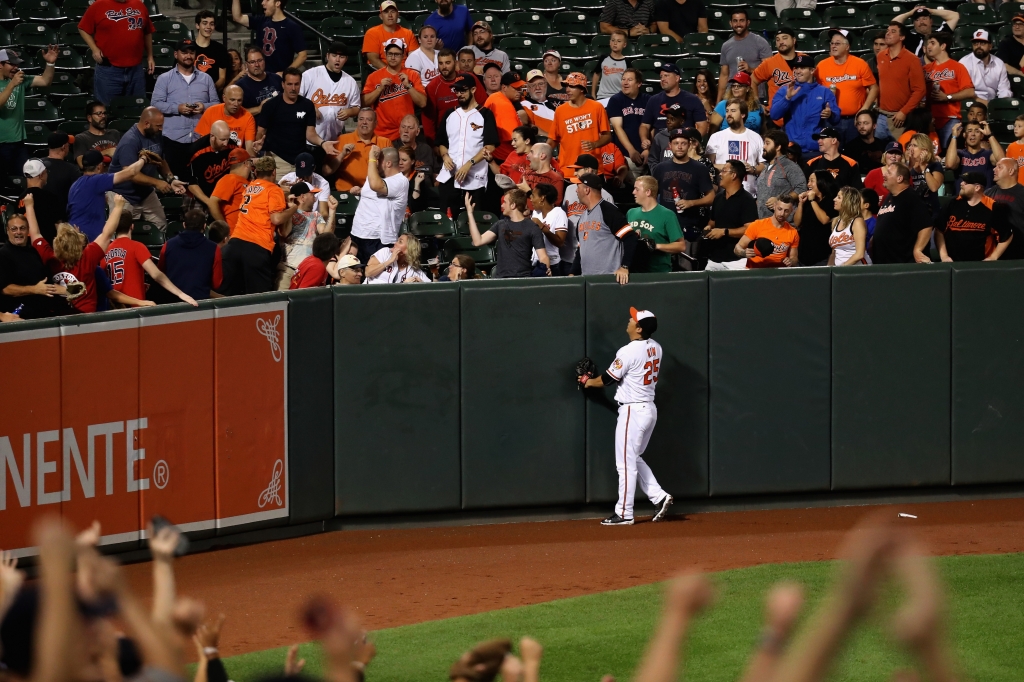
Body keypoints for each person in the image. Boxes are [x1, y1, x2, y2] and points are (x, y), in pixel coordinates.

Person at [580, 306, 673, 525]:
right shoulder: (656, 347)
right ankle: (659, 496)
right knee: (634, 458)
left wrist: (587, 382)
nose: (629, 321)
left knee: (625, 464)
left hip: (633, 411)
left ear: (639, 329)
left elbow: (607, 380)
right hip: (649, 409)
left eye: (633, 320)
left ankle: (624, 513)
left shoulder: (628, 351)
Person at [26, 193, 127, 313]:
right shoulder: (88, 257)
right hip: (85, 315)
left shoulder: (49, 257)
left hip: (59, 316)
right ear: (78, 242)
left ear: (56, 243)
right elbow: (107, 233)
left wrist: (29, 206)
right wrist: (118, 207)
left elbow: (35, 234)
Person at [221, 155, 297, 294]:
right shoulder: (274, 190)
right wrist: (293, 209)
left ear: (255, 172)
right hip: (256, 248)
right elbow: (276, 219)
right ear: (274, 172)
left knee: (231, 296)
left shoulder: (248, 187)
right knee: (260, 300)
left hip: (233, 246)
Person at [107, 108, 187, 231]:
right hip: (123, 195)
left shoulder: (155, 135)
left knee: (161, 226)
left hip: (145, 193)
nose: (161, 129)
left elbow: (161, 160)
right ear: (146, 124)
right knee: (121, 233)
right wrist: (157, 183)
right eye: (158, 126)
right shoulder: (130, 141)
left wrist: (171, 179)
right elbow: (131, 175)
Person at [152, 39, 220, 178]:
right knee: (176, 180)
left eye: (191, 52)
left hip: (200, 138)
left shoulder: (206, 79)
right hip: (173, 140)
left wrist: (204, 107)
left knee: (201, 178)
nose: (188, 56)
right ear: (176, 54)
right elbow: (155, 104)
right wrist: (177, 108)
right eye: (184, 52)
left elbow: (216, 104)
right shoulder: (165, 79)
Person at [256, 68, 338, 181]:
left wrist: (323, 143)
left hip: (300, 161)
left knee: (302, 197)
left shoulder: (307, 105)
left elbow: (310, 133)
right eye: (289, 84)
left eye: (296, 84)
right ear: (283, 84)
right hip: (277, 161)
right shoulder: (270, 106)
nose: (293, 88)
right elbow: (261, 132)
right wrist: (259, 147)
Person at [103, 212, 198, 306]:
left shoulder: (105, 251)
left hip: (113, 308)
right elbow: (156, 275)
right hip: (136, 308)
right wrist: (181, 294)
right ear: (132, 226)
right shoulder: (137, 247)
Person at [435, 74, 498, 216]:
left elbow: (490, 146)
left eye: (462, 90)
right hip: (449, 176)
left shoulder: (485, 114)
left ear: (473, 89)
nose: (459, 94)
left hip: (475, 178)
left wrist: (469, 163)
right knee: (447, 221)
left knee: (473, 222)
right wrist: (445, 156)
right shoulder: (450, 113)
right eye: (456, 91)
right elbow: (442, 143)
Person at [77, 0, 154, 104]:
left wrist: (150, 56)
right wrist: (94, 49)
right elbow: (83, 28)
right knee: (107, 110)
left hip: (136, 70)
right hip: (109, 69)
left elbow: (147, 32)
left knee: (136, 109)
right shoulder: (98, 5)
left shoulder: (139, 5)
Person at [0, 212, 72, 319]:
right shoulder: (3, 254)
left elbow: (43, 283)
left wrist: (66, 290)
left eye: (22, 228)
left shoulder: (33, 251)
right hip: (19, 317)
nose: (18, 232)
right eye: (14, 229)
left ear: (28, 230)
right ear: (7, 231)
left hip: (42, 313)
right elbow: (5, 289)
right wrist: (34, 289)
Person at [466, 189, 550, 277]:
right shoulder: (500, 224)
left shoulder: (532, 227)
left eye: (505, 202)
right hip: (501, 279)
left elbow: (543, 256)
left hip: (523, 279)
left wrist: (545, 269)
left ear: (513, 205)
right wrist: (470, 214)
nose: (502, 205)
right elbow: (478, 241)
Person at [770, 54, 840, 159]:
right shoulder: (786, 90)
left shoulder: (824, 92)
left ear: (812, 71)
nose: (798, 71)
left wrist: (830, 114)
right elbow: (774, 115)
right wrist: (787, 99)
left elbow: (836, 119)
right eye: (796, 68)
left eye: (802, 68)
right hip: (791, 150)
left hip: (815, 150)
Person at [815, 29, 878, 146]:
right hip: (830, 120)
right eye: (832, 43)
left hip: (854, 120)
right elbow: (816, 91)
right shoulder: (822, 65)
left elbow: (874, 88)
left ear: (847, 46)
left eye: (837, 43)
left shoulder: (860, 64)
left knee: (854, 153)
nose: (833, 46)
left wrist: (863, 110)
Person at [0, 47, 59, 172]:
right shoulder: (15, 82)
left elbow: (45, 81)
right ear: (0, 64)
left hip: (18, 143)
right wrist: (12, 84)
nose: (16, 67)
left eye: (17, 64)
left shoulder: (20, 80)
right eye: (12, 64)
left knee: (27, 178)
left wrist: (50, 63)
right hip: (1, 142)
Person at [653, 128, 714, 244]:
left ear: (689, 145)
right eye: (676, 143)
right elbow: (652, 195)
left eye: (683, 143)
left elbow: (711, 197)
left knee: (686, 260)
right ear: (670, 145)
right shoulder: (660, 168)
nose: (679, 147)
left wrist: (691, 203)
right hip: (664, 225)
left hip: (689, 226)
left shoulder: (700, 168)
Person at [935, 171, 1012, 262]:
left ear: (977, 187)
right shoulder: (952, 204)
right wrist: (944, 256)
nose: (961, 184)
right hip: (953, 263)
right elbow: (939, 230)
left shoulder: (993, 207)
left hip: (980, 265)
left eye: (966, 182)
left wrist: (993, 257)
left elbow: (1007, 235)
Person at [66, 152, 144, 242]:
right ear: (99, 167)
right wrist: (143, 159)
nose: (105, 167)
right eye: (104, 165)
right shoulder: (96, 180)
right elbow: (131, 172)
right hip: (88, 239)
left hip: (74, 237)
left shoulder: (75, 185)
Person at [571, 173, 636, 281]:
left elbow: (630, 238)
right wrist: (573, 272)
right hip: (587, 279)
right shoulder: (582, 217)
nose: (576, 191)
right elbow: (581, 248)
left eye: (578, 187)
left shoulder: (609, 211)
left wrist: (625, 267)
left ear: (587, 190)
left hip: (608, 279)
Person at [350, 146, 409, 263]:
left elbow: (376, 186)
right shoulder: (375, 175)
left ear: (388, 163)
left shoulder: (401, 181)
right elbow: (371, 194)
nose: (375, 164)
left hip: (378, 240)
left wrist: (371, 158)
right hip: (357, 235)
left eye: (378, 161)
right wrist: (359, 191)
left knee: (376, 277)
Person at [362, 43, 428, 141]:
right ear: (385, 55)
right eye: (390, 54)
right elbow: (364, 103)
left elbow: (423, 103)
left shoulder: (412, 75)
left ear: (403, 56)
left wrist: (408, 86)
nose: (393, 57)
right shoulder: (374, 77)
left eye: (396, 54)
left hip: (406, 132)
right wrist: (379, 89)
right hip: (382, 133)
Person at [299, 43, 361, 146]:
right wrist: (310, 107)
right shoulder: (311, 74)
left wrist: (350, 111)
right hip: (307, 139)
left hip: (334, 139)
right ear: (327, 56)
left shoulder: (350, 82)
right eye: (334, 56)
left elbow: (356, 107)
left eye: (341, 57)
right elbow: (296, 96)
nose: (337, 60)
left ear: (346, 59)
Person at [278, 183, 337, 289]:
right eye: (312, 195)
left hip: (308, 269)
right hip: (288, 268)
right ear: (302, 197)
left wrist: (332, 211)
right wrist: (290, 209)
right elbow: (284, 233)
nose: (315, 200)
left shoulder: (316, 215)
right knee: (281, 303)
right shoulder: (287, 213)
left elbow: (326, 235)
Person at [551, 73, 612, 175]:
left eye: (572, 86)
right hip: (567, 169)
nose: (567, 90)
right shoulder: (560, 110)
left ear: (582, 89)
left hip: (592, 169)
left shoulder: (597, 107)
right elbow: (553, 139)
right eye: (567, 86)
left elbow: (607, 136)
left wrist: (595, 144)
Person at [922, 31, 975, 149]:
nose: (928, 46)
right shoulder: (925, 69)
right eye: (928, 43)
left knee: (950, 152)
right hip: (930, 120)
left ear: (943, 46)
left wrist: (947, 97)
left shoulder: (957, 67)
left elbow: (970, 91)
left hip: (950, 119)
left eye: (932, 43)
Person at [872, 162, 933, 264]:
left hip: (902, 264)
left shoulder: (911, 198)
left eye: (889, 173)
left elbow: (926, 226)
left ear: (899, 178)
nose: (884, 175)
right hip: (885, 262)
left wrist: (918, 250)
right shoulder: (890, 197)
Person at [701, 159, 758, 270]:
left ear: (733, 175)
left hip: (737, 261)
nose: (720, 174)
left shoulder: (747, 200)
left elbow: (750, 230)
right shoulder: (718, 197)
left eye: (723, 171)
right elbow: (712, 221)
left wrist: (724, 232)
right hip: (714, 258)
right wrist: (709, 227)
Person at [157, 208, 223, 300]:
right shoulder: (214, 248)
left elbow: (160, 272)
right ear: (204, 226)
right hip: (201, 302)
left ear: (184, 225)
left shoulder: (168, 245)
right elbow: (216, 283)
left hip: (171, 300)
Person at [876, 22, 927, 142]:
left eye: (893, 31)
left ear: (902, 37)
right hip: (881, 115)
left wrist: (904, 112)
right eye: (887, 31)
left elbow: (920, 90)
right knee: (879, 154)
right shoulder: (881, 56)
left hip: (900, 118)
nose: (888, 34)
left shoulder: (912, 59)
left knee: (901, 155)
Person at [626, 176, 685, 273]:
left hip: (658, 274)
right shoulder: (631, 213)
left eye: (637, 189)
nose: (633, 192)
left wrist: (656, 246)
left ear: (648, 192)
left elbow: (681, 246)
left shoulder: (667, 215)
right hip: (634, 272)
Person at [424, 48, 485, 142]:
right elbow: (429, 119)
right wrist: (433, 143)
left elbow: (483, 103)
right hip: (447, 135)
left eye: (448, 63)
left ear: (455, 63)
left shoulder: (469, 78)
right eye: (441, 63)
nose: (444, 67)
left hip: (472, 132)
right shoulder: (432, 87)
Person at [231, 0, 307, 75]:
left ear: (277, 3)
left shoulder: (292, 27)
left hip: (277, 77)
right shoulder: (261, 20)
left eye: (267, 0)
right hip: (259, 75)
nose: (262, 3)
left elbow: (302, 55)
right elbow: (237, 17)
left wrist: (285, 73)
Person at [706, 99, 763, 196]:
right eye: (727, 111)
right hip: (723, 194)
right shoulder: (716, 137)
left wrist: (753, 169)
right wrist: (732, 168)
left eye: (733, 111)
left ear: (743, 114)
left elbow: (764, 166)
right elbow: (708, 165)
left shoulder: (756, 137)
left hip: (749, 194)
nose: (728, 114)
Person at [640, 64, 709, 143]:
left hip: (683, 145)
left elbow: (702, 126)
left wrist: (691, 142)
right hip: (660, 148)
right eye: (661, 76)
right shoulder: (653, 100)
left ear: (677, 78)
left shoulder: (692, 99)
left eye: (666, 75)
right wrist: (644, 139)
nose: (662, 79)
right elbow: (644, 125)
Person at [328, 108, 392, 192]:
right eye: (361, 119)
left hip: (375, 194)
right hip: (347, 194)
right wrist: (342, 155)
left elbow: (393, 174)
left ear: (375, 123)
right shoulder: (342, 139)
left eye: (369, 119)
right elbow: (326, 171)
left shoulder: (385, 143)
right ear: (357, 121)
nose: (364, 122)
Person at [717, 8, 772, 103]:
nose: (738, 24)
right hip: (732, 97)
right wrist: (718, 102)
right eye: (735, 21)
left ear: (748, 22)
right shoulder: (726, 46)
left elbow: (769, 70)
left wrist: (750, 70)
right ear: (730, 23)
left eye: (741, 20)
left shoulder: (760, 42)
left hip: (754, 96)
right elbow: (724, 76)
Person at [733, 192, 800, 268]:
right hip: (754, 271)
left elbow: (794, 258)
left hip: (777, 274)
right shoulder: (757, 225)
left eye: (786, 211)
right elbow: (737, 248)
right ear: (774, 206)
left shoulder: (793, 232)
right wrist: (744, 253)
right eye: (779, 209)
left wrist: (790, 261)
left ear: (791, 211)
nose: (782, 213)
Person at [751, 27, 798, 128]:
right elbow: (752, 80)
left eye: (784, 38)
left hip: (801, 117)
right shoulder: (769, 63)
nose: (781, 42)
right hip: (778, 119)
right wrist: (757, 104)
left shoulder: (805, 60)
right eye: (778, 39)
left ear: (794, 40)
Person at [756, 129, 807, 219]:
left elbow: (802, 188)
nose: (764, 146)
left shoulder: (789, 166)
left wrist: (779, 200)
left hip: (784, 224)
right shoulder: (766, 167)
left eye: (767, 143)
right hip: (764, 223)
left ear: (778, 147)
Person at [608, 68, 650, 177]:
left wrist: (647, 150)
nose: (625, 83)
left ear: (639, 83)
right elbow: (617, 128)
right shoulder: (616, 100)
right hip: (626, 155)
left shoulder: (648, 100)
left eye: (630, 80)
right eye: (623, 79)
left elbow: (652, 127)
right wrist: (631, 150)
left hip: (647, 154)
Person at [194, 84, 258, 155]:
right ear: (224, 98)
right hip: (212, 156)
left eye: (239, 100)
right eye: (232, 100)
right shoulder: (211, 112)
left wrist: (254, 152)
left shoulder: (248, 117)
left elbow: (249, 148)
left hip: (236, 158)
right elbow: (203, 142)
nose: (236, 104)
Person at [793, 169, 839, 266]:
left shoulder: (832, 201)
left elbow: (824, 220)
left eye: (812, 181)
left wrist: (812, 200)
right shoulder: (808, 202)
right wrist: (801, 203)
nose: (808, 184)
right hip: (804, 254)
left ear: (822, 182)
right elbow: (797, 223)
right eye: (808, 181)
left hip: (822, 255)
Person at [486, 72, 530, 167]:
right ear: (504, 88)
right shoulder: (504, 105)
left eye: (519, 88)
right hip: (505, 159)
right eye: (515, 88)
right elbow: (514, 139)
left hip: (495, 156)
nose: (518, 91)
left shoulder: (495, 96)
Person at [946, 120, 1003, 191]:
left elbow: (1002, 161)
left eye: (977, 131)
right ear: (964, 135)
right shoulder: (959, 154)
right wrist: (954, 137)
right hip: (963, 199)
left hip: (984, 199)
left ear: (982, 135)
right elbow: (949, 164)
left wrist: (989, 135)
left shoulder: (988, 154)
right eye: (969, 131)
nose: (973, 134)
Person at [362, 0, 418, 71]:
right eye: (386, 12)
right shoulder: (372, 33)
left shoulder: (408, 33)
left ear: (398, 14)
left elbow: (414, 57)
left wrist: (408, 73)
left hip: (405, 71)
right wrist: (391, 72)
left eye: (393, 11)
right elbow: (373, 60)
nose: (390, 15)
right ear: (381, 16)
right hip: (381, 71)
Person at [959, 29, 1011, 105]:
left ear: (990, 46)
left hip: (993, 102)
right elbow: (963, 91)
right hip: (971, 102)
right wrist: (983, 103)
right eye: (975, 43)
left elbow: (1004, 89)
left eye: (982, 43)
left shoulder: (999, 63)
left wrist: (1002, 103)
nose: (978, 46)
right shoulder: (964, 63)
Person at [20, 159, 64, 246]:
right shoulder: (50, 198)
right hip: (46, 248)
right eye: (46, 172)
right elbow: (59, 227)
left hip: (26, 248)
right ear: (41, 175)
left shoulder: (20, 198)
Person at [987, 157, 1024, 260]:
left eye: (1000, 167)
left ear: (1011, 171)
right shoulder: (987, 193)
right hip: (993, 251)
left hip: (1018, 253)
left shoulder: (1022, 194)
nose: (994, 169)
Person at [893, 5, 960, 59]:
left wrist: (931, 11)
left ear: (931, 21)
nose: (921, 22)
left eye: (924, 18)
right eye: (917, 20)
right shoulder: (909, 37)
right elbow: (894, 23)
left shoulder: (940, 34)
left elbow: (955, 16)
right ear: (914, 24)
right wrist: (910, 13)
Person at [530, 183, 568, 276]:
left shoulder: (559, 213)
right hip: (534, 263)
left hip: (552, 265)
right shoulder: (535, 213)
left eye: (533, 196)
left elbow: (560, 242)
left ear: (542, 198)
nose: (531, 199)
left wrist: (542, 226)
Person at [905, 132, 943, 223]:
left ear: (924, 150)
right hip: (911, 211)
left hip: (930, 211)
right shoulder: (906, 167)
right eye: (910, 145)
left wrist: (923, 167)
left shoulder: (935, 166)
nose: (911, 148)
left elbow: (933, 187)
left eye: (914, 145)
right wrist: (909, 164)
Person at [209, 147, 251, 230]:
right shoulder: (230, 179)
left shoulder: (245, 181)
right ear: (246, 163)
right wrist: (224, 228)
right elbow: (212, 202)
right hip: (234, 234)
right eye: (251, 162)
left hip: (247, 233)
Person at [280, 152, 331, 218]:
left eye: (307, 174)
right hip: (291, 219)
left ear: (314, 168)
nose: (304, 178)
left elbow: (324, 213)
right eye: (301, 174)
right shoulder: (287, 180)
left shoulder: (322, 183)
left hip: (313, 221)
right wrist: (293, 190)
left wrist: (308, 222)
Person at [364, 233, 431, 283]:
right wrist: (390, 261)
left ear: (408, 250)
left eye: (400, 242)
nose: (395, 243)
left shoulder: (413, 269)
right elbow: (368, 273)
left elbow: (430, 287)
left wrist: (421, 283)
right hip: (370, 294)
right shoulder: (385, 252)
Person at [827, 186, 869, 266]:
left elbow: (860, 254)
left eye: (839, 197)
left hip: (858, 270)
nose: (834, 199)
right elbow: (834, 252)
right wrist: (829, 270)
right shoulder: (835, 222)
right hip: (842, 271)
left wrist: (842, 269)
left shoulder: (857, 222)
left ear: (848, 201)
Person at [237, 46, 284, 115]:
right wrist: (258, 109)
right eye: (252, 62)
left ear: (264, 61)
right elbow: (237, 112)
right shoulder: (240, 86)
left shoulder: (276, 78)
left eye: (259, 60)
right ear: (246, 64)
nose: (257, 65)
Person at [72, 101, 121, 166]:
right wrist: (105, 152)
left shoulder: (114, 133)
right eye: (99, 113)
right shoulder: (81, 138)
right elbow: (82, 164)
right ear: (89, 118)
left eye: (104, 113)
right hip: (97, 174)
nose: (103, 116)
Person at [40, 133, 82, 208]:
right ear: (64, 147)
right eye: (68, 144)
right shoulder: (71, 169)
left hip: (39, 211)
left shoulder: (38, 164)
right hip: (63, 215)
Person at [517, 142, 565, 206]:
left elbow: (553, 206)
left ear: (542, 156)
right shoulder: (525, 174)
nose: (527, 156)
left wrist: (529, 192)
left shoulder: (556, 179)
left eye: (532, 152)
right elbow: (516, 198)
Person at [193, 10, 229, 91]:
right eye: (205, 23)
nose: (208, 27)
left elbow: (222, 79)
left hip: (211, 94)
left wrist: (208, 91)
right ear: (197, 25)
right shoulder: (188, 48)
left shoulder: (220, 49)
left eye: (211, 24)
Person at [591, 31, 630, 104]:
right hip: (603, 96)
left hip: (619, 96)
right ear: (609, 42)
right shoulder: (604, 58)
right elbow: (596, 74)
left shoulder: (626, 62)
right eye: (613, 40)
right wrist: (593, 94)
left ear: (624, 45)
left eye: (619, 41)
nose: (615, 43)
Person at [407, 26, 441, 90]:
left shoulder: (440, 54)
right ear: (419, 40)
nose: (429, 40)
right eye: (425, 37)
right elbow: (414, 84)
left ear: (436, 39)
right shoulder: (414, 57)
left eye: (432, 36)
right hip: (424, 92)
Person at [1005, 114, 1024, 184]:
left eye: (1019, 126)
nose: (1015, 128)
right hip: (1016, 186)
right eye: (1015, 126)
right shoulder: (1011, 147)